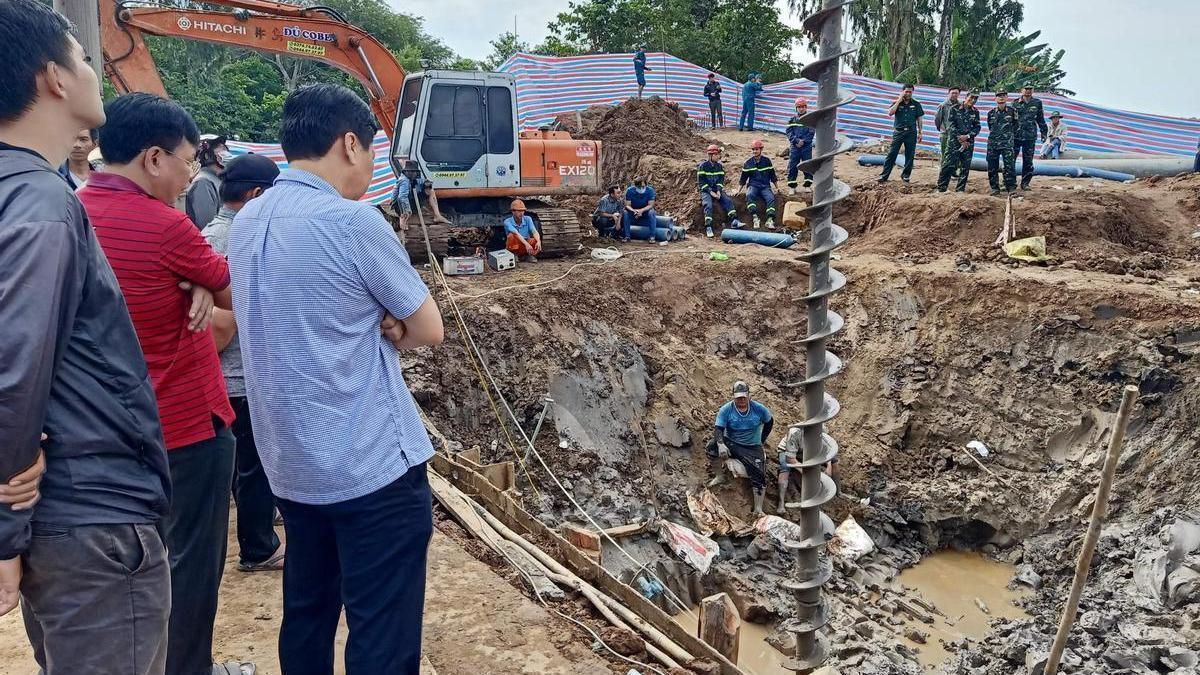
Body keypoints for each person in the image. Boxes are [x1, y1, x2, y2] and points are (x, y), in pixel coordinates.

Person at [229, 83, 444, 675]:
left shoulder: (249, 219)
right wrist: (393, 326)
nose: (372, 166)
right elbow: (429, 327)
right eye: (372, 151)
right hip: (369, 465)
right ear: (350, 144)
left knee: (308, 612)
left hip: (293, 466)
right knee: (381, 631)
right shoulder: (351, 222)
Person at [0, 3, 172, 672]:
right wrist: (5, 525)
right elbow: (14, 367)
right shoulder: (42, 208)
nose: (94, 71)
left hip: (64, 518)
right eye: (82, 58)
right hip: (90, 520)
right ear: (53, 78)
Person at [78, 93, 254, 675]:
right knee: (190, 565)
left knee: (136, 566)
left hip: (108, 431)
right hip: (186, 426)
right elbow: (233, 292)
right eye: (187, 160)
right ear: (154, 158)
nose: (190, 175)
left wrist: (200, 281)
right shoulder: (164, 225)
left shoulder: (74, 211)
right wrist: (202, 281)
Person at [200, 154, 286, 575]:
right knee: (255, 463)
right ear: (255, 195)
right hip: (242, 373)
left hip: (222, 374)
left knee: (244, 462)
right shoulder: (242, 238)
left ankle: (264, 516)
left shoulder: (207, 234)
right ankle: (258, 547)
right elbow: (232, 315)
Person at [705, 381, 773, 515]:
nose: (741, 400)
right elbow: (718, 429)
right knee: (712, 446)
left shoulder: (759, 409)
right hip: (732, 442)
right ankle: (719, 476)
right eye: (738, 398)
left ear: (749, 396)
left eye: (743, 397)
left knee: (759, 473)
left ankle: (758, 508)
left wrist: (762, 440)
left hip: (752, 446)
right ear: (733, 397)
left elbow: (769, 422)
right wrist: (721, 444)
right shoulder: (726, 409)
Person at [775, 426, 838, 514]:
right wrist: (805, 472)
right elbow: (790, 459)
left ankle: (839, 492)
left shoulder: (821, 432)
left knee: (835, 462)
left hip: (808, 453)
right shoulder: (795, 433)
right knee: (785, 468)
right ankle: (781, 503)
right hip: (788, 452)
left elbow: (827, 451)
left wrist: (829, 466)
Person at [877, 83, 924, 183]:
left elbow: (919, 119)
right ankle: (884, 176)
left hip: (911, 133)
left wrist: (920, 132)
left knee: (910, 155)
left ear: (912, 92)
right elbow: (890, 113)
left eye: (910, 92)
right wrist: (899, 100)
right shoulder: (896, 102)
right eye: (906, 91)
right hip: (898, 132)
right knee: (892, 154)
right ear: (902, 92)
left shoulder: (916, 104)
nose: (908, 94)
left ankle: (906, 175)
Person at [936, 91, 981, 193]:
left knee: (965, 167)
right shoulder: (954, 108)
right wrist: (960, 138)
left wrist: (968, 136)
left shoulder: (975, 112)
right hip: (954, 142)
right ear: (966, 97)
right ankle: (941, 188)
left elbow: (977, 127)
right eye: (971, 97)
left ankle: (960, 189)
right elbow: (950, 125)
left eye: (976, 98)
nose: (973, 100)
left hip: (968, 143)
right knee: (948, 164)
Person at [185, 132, 231, 229]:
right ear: (206, 155)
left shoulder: (218, 179)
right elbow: (207, 225)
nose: (226, 152)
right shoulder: (203, 182)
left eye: (225, 148)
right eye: (221, 148)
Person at [734, 140, 779, 229]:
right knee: (749, 195)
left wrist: (777, 188)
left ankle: (770, 220)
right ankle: (755, 218)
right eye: (753, 149)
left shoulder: (767, 161)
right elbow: (743, 179)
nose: (755, 151)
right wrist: (738, 190)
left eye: (757, 149)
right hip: (753, 185)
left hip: (765, 186)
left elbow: (772, 176)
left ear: (761, 149)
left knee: (770, 198)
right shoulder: (748, 163)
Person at [697, 144, 740, 238]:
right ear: (710, 155)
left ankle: (734, 221)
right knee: (708, 205)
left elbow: (720, 180)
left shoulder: (719, 166)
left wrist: (719, 191)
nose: (718, 156)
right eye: (716, 154)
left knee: (728, 200)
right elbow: (701, 183)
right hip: (706, 191)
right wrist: (710, 192)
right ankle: (708, 227)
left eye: (718, 154)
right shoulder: (703, 166)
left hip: (716, 190)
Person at [1012, 84, 1048, 190]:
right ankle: (1010, 183)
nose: (1028, 91)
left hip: (1030, 136)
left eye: (1030, 89)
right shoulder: (1014, 103)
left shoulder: (1037, 103)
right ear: (1021, 90)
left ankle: (1025, 183)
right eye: (1026, 89)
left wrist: (1044, 133)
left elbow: (1040, 119)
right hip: (1016, 136)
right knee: (1011, 160)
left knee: (1028, 161)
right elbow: (1011, 120)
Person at [986, 91, 1020, 196]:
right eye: (999, 96)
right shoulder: (991, 113)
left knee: (1009, 166)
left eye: (1003, 96)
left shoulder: (1012, 111)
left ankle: (1011, 188)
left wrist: (1008, 137)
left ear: (1007, 98)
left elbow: (1016, 126)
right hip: (993, 144)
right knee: (992, 167)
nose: (1001, 98)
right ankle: (995, 188)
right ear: (995, 98)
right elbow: (990, 127)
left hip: (1007, 144)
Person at [785, 98, 815, 194]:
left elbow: (811, 132)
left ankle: (807, 185)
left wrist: (804, 141)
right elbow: (789, 132)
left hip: (806, 147)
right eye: (799, 107)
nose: (801, 109)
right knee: (792, 166)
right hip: (795, 147)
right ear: (796, 108)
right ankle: (792, 187)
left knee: (807, 166)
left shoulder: (810, 120)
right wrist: (796, 141)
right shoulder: (792, 120)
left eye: (803, 107)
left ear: (806, 107)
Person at [622, 176, 657, 242]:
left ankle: (652, 237)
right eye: (639, 187)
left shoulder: (650, 191)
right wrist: (634, 211)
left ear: (646, 185)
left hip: (646, 212)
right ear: (635, 186)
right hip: (633, 211)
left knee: (651, 212)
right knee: (625, 212)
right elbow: (627, 205)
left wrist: (641, 210)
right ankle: (627, 236)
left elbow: (651, 205)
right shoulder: (630, 190)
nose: (641, 188)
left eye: (643, 186)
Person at [934, 87, 961, 160]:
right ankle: (943, 168)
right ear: (948, 93)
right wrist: (943, 129)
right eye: (953, 93)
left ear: (959, 94)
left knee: (956, 155)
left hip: (957, 135)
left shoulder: (961, 105)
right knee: (945, 155)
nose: (954, 95)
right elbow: (937, 120)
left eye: (956, 93)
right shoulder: (943, 105)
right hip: (945, 134)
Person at [390, 170, 413, 243]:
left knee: (405, 216)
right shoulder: (404, 180)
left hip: (396, 203)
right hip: (397, 204)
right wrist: (405, 210)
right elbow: (401, 197)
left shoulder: (404, 179)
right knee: (404, 217)